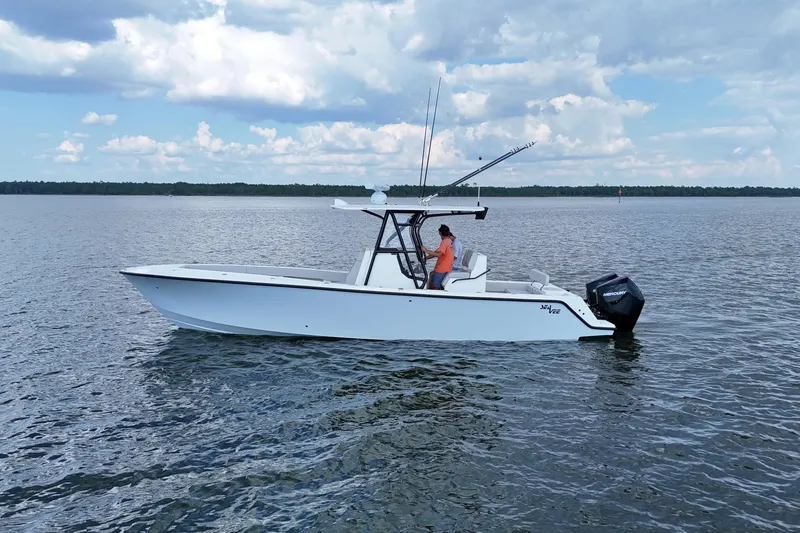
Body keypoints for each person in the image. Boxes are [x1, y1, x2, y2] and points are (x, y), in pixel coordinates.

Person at [421, 225, 455, 289]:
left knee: (435, 286)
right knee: (431, 274)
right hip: (447, 268)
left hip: (442, 269)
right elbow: (436, 252)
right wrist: (426, 258)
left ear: (440, 233)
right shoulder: (449, 241)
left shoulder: (444, 242)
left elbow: (438, 254)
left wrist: (425, 250)